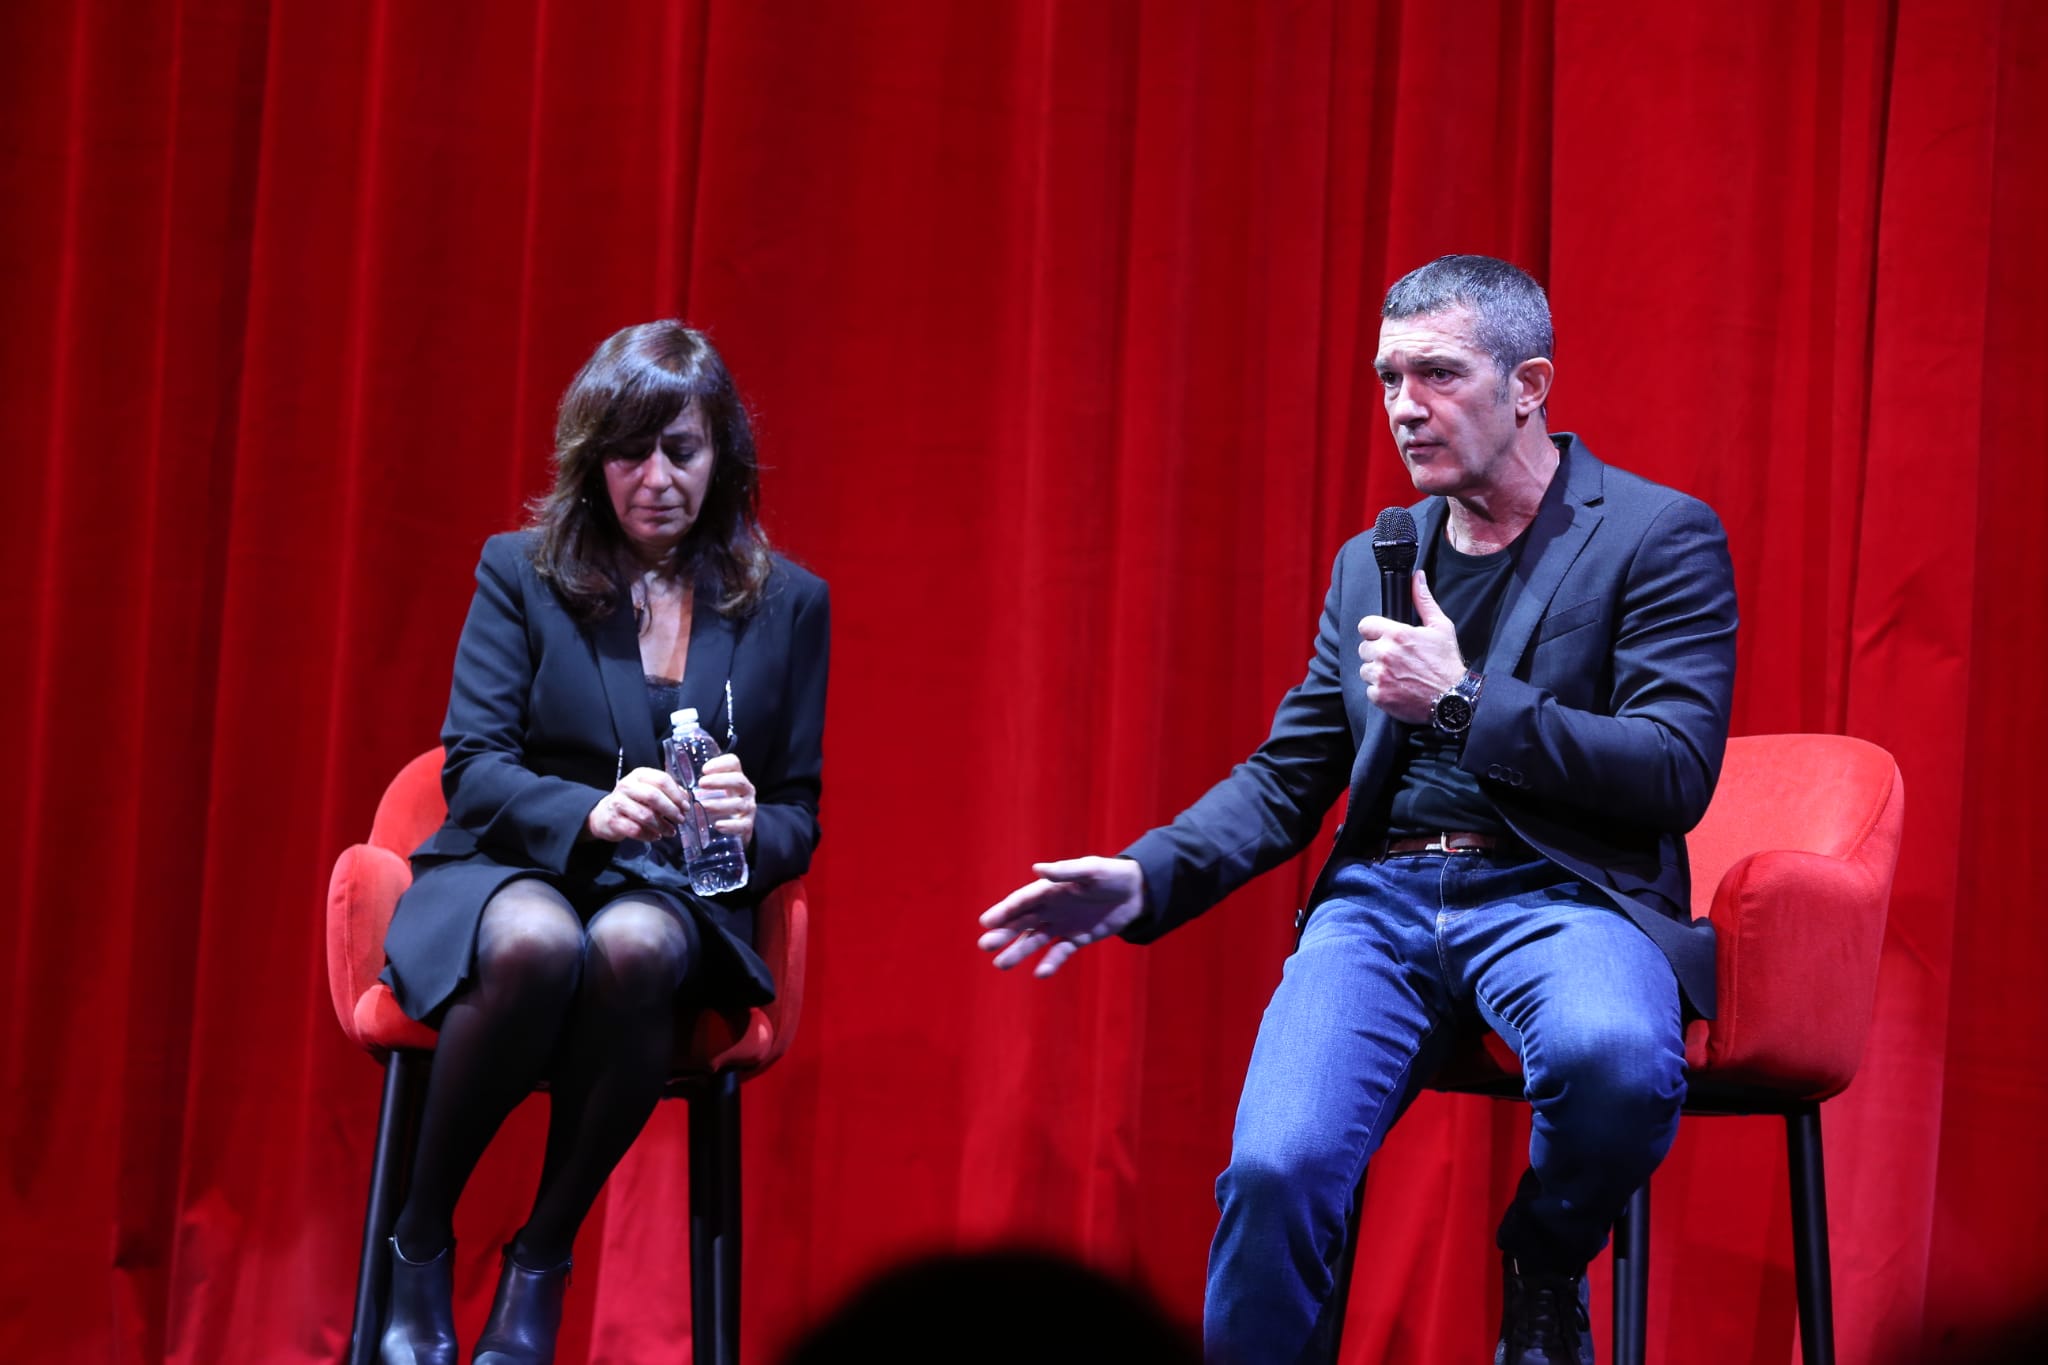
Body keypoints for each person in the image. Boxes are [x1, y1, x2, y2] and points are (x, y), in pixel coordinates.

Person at [979, 255, 1736, 1365]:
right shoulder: (1372, 560)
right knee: (1274, 1171)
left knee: (1615, 1059)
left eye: (1435, 375)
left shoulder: (1652, 535)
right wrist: (1144, 875)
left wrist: (1466, 702)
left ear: (1528, 383)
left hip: (1560, 894)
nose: (1402, 409)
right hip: (1381, 903)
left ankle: (1541, 1253)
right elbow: (1290, 775)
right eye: (1387, 379)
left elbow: (1672, 768)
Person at [376, 321, 830, 1365]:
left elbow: (799, 813)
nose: (656, 478)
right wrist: (579, 811)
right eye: (629, 451)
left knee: (633, 949)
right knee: (539, 942)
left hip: (671, 893)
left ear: (722, 458)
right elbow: (471, 766)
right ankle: (420, 1240)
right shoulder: (520, 572)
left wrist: (744, 820)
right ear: (594, 458)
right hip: (514, 867)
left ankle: (540, 1259)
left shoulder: (789, 604)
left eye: (682, 449)